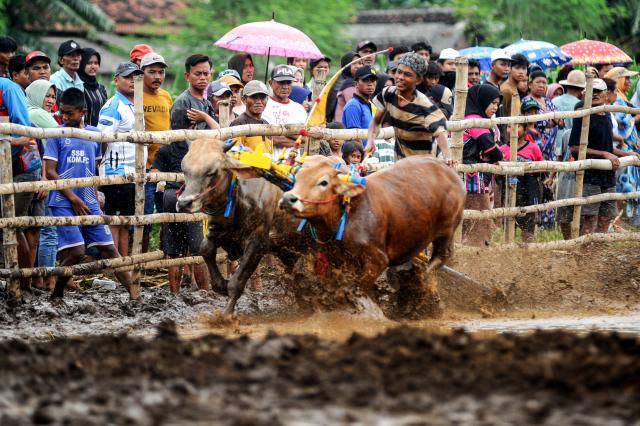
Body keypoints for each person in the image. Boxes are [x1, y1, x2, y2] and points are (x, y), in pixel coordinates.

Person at [43, 88, 134, 299]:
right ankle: (56, 294)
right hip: (63, 200)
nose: (65, 117)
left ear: (82, 111)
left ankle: (134, 294)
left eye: (70, 113)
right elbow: (50, 171)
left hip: (88, 200)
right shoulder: (57, 134)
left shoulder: (94, 134)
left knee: (110, 249)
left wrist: (95, 193)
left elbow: (94, 170)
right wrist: (73, 197)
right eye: (62, 113)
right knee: (76, 252)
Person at [569, 78, 640, 235]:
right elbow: (574, 148)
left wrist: (627, 154)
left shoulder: (607, 116)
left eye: (598, 92)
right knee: (590, 219)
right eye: (591, 92)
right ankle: (586, 257)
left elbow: (608, 148)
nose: (595, 95)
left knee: (606, 218)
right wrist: (604, 154)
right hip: (590, 175)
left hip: (607, 175)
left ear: (606, 94)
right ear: (585, 94)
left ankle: (596, 255)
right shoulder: (583, 116)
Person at [97, 62, 146, 257]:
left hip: (132, 172)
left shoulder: (135, 105)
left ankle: (123, 264)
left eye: (136, 77)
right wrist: (99, 167)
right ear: (116, 79)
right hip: (115, 172)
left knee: (125, 222)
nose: (132, 81)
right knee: (114, 221)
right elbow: (102, 140)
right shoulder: (113, 106)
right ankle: (114, 267)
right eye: (127, 77)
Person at [367, 52, 452, 163]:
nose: (400, 77)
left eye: (407, 74)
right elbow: (376, 122)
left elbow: (441, 134)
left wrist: (448, 157)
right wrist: (370, 141)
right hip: (400, 164)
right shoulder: (388, 94)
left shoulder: (425, 105)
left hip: (422, 166)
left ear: (418, 80)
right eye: (399, 72)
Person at [152, 139, 210, 294]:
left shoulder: (164, 148)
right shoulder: (196, 148)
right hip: (191, 196)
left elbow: (154, 173)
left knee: (174, 251)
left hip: (171, 195)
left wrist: (165, 180)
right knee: (198, 249)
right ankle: (205, 294)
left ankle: (174, 295)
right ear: (191, 125)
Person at [1, 76, 43, 289]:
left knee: (14, 224)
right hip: (6, 167)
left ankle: (23, 283)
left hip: (22, 166)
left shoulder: (6, 88)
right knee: (9, 224)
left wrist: (5, 145)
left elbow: (23, 131)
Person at [461, 84, 504, 246]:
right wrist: (494, 154)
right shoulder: (475, 120)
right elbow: (493, 149)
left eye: (497, 104)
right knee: (479, 218)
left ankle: (476, 250)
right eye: (492, 102)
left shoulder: (481, 120)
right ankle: (477, 253)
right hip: (471, 177)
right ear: (482, 100)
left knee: (475, 219)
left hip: (476, 175)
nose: (495, 107)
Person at [26, 79, 58, 290]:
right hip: (40, 175)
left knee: (35, 229)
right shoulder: (35, 113)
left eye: (54, 97)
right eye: (47, 95)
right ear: (37, 95)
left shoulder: (28, 111)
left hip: (37, 175)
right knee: (48, 230)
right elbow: (61, 132)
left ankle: (35, 278)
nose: (50, 100)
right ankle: (46, 279)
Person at [140, 52, 173, 251]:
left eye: (160, 72)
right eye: (151, 72)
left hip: (165, 166)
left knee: (166, 214)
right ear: (142, 73)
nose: (157, 76)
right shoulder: (135, 96)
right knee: (144, 217)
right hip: (145, 166)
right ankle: (141, 256)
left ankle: (164, 254)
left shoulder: (166, 96)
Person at [499, 122, 545, 242]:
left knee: (528, 227)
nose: (512, 129)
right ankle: (509, 253)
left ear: (525, 130)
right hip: (509, 191)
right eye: (509, 126)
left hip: (529, 192)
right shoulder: (502, 150)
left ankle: (527, 255)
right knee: (509, 227)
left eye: (517, 126)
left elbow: (543, 168)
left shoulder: (533, 148)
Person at [262, 64, 308, 159]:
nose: (285, 86)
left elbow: (306, 137)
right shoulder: (263, 106)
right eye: (281, 82)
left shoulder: (299, 109)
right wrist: (296, 136)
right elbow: (268, 138)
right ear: (270, 83)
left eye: (289, 82)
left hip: (295, 166)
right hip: (269, 165)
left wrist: (280, 133)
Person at [171, 54, 218, 131]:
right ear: (187, 76)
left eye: (206, 74)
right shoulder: (183, 102)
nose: (202, 78)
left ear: (211, 75)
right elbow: (177, 136)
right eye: (198, 74)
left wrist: (205, 117)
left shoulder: (207, 102)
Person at [521, 70, 561, 160]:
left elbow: (561, 122)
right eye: (538, 82)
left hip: (551, 145)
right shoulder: (527, 101)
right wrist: (552, 118)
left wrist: (550, 118)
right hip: (535, 143)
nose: (541, 85)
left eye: (544, 83)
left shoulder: (548, 101)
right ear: (530, 85)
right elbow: (538, 122)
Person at [229, 80, 273, 153]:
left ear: (267, 99)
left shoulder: (266, 124)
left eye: (262, 97)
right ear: (244, 100)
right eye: (254, 97)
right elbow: (235, 155)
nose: (259, 102)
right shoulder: (239, 123)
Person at [342, 65, 378, 149]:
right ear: (356, 84)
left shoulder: (370, 104)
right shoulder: (353, 105)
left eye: (373, 80)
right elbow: (355, 139)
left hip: (371, 156)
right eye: (365, 80)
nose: (370, 84)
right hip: (358, 157)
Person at [604, 67, 639, 152]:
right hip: (621, 146)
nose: (630, 81)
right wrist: (634, 119)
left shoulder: (622, 97)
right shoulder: (616, 100)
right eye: (626, 78)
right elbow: (622, 123)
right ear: (618, 80)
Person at [554, 70, 586, 156]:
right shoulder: (580, 106)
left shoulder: (554, 101)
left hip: (554, 143)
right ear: (582, 89)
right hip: (570, 144)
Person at [326, 52, 361, 122]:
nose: (358, 66)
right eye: (354, 63)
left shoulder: (359, 81)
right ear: (346, 65)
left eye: (360, 63)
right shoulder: (343, 83)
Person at [77, 48, 108, 127]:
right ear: (82, 64)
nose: (93, 66)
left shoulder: (101, 88)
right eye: (89, 63)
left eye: (96, 63)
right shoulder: (78, 87)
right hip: (84, 134)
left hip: (102, 134)